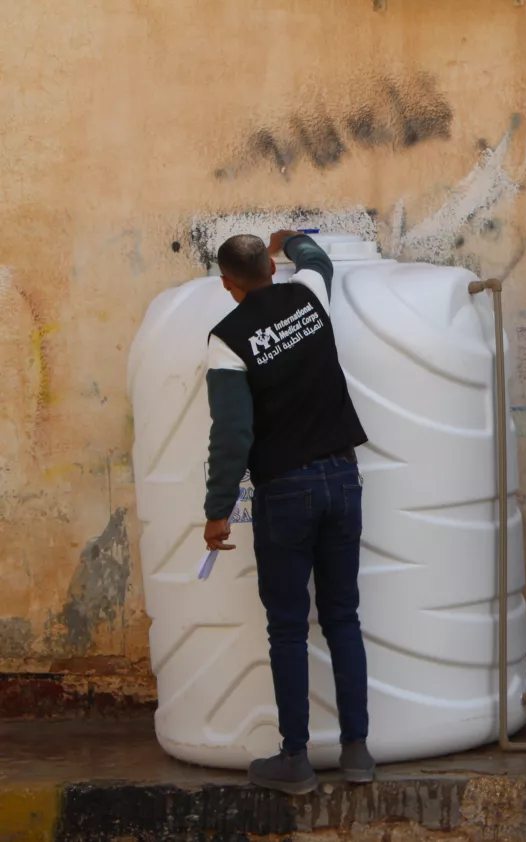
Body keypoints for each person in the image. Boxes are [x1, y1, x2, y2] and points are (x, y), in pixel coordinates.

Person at [203, 230, 374, 793]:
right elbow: (318, 260)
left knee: (287, 628)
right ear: (270, 270)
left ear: (229, 284)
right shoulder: (309, 296)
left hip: (286, 491)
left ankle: (295, 758)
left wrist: (218, 508)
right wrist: (293, 239)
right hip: (343, 477)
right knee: (343, 616)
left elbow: (232, 433)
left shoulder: (227, 339)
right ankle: (357, 753)